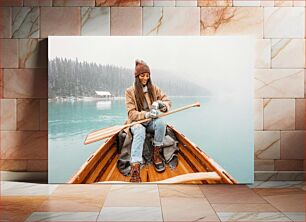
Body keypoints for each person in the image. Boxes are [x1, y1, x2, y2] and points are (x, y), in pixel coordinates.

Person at [125, 59, 171, 182]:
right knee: (139, 131)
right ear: (137, 76)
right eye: (142, 75)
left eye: (147, 75)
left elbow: (167, 101)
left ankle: (156, 156)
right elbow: (131, 113)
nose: (145, 78)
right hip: (137, 122)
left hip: (151, 121)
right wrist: (146, 114)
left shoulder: (154, 88)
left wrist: (163, 105)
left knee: (161, 123)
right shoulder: (130, 91)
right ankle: (135, 167)